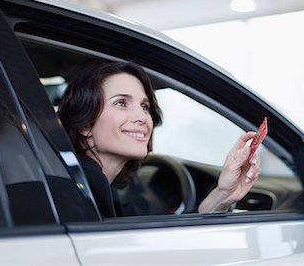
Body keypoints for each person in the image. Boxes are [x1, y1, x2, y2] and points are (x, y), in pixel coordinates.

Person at [58, 60, 261, 217]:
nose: (142, 118)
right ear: (85, 124)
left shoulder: (91, 186)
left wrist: (223, 194)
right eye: (121, 103)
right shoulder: (76, 191)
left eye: (144, 107)